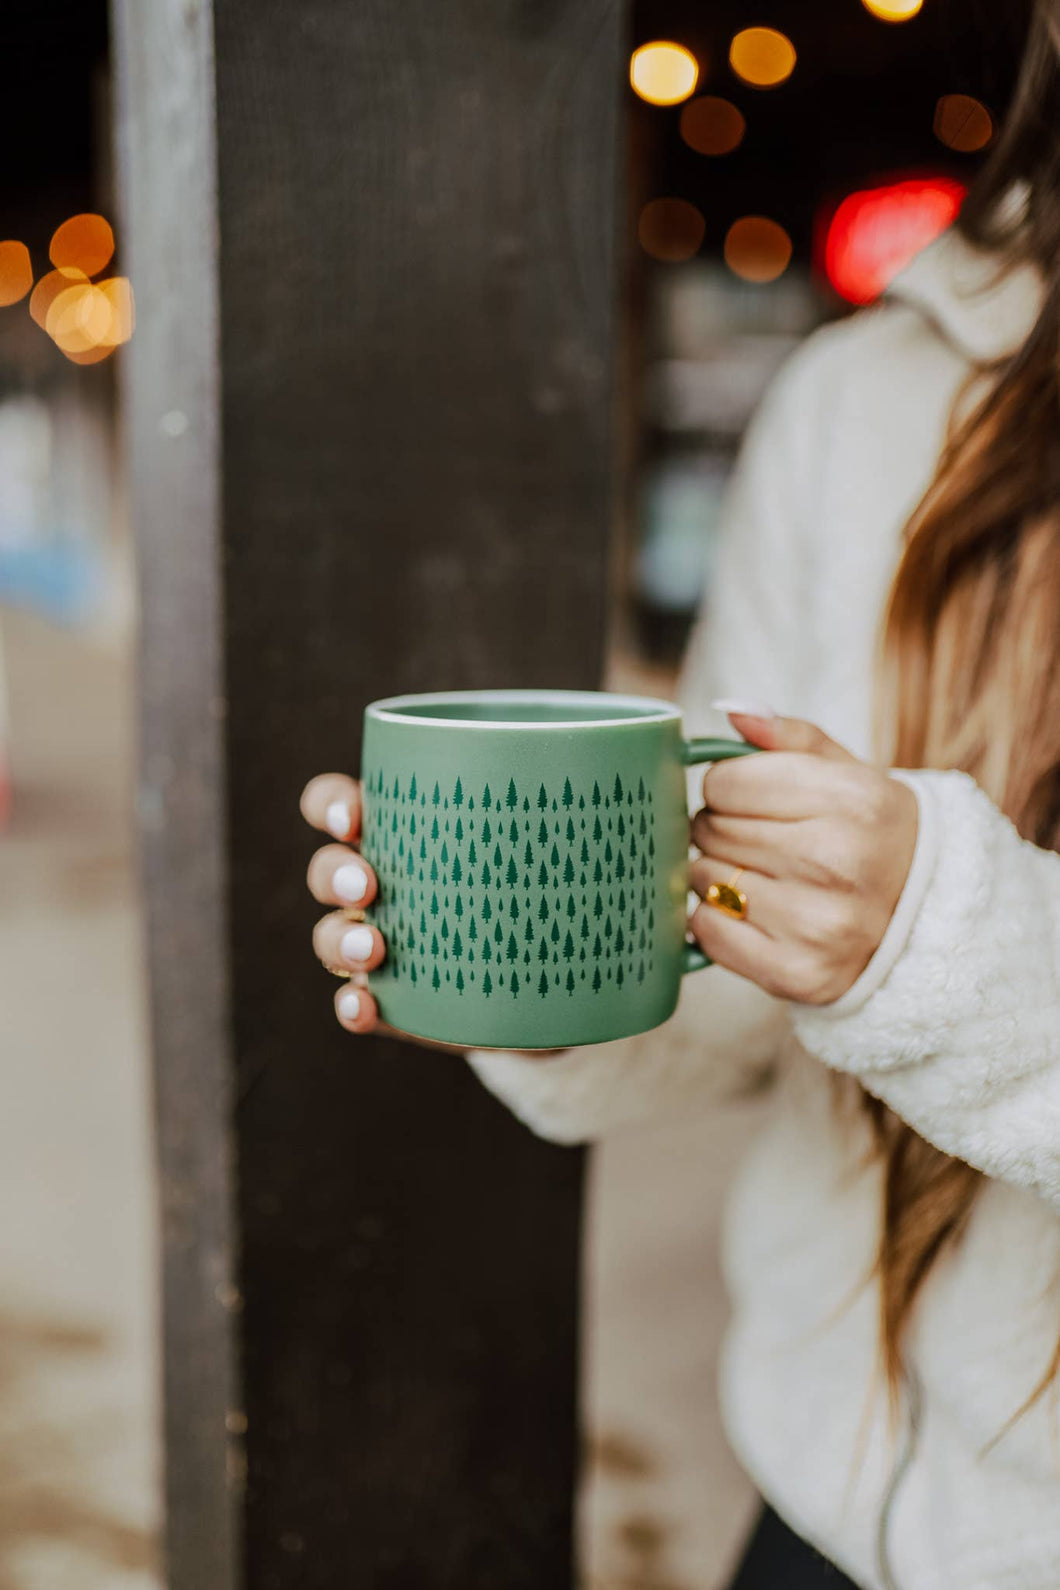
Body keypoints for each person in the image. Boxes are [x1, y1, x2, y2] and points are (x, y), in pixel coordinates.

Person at [300, 6, 1060, 1585]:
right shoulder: (863, 398)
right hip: (813, 1497)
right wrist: (552, 953)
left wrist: (932, 937)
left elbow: (904, 959)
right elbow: (743, 970)